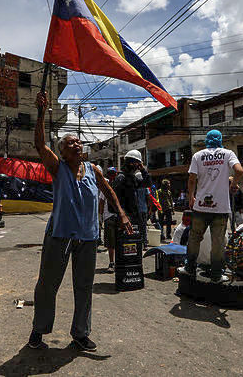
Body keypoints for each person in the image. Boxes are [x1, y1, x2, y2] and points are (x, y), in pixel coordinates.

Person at [29, 92, 131, 352]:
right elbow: (40, 145)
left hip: (87, 237)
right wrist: (41, 113)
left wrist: (120, 213)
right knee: (47, 284)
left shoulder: (94, 170)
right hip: (60, 234)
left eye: (79, 142)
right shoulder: (58, 167)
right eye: (71, 143)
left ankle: (80, 333)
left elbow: (108, 191)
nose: (77, 145)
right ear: (62, 152)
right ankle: (39, 330)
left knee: (84, 287)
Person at [187, 129, 243, 283]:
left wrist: (191, 196)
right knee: (218, 243)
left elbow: (192, 179)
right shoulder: (228, 154)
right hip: (220, 208)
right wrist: (234, 183)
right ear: (220, 140)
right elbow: (239, 170)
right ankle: (216, 274)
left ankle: (190, 268)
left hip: (200, 207)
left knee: (194, 239)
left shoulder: (198, 155)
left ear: (207, 140)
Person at [136, 186, 149, 250]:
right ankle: (145, 244)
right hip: (144, 209)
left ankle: (139, 244)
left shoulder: (135, 187)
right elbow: (148, 198)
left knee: (138, 227)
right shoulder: (145, 188)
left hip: (137, 210)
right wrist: (149, 209)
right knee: (144, 227)